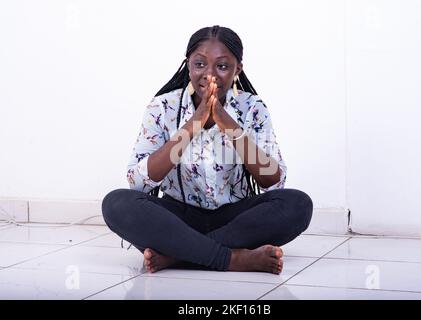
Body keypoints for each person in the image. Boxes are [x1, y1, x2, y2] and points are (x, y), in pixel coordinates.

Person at [102, 25, 313, 274]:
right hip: (178, 219)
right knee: (116, 204)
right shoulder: (163, 107)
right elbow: (137, 182)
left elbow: (273, 181)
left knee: (298, 204)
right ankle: (233, 259)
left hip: (235, 218)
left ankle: (178, 256)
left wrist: (227, 123)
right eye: (200, 64)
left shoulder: (252, 107)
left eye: (222, 66)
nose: (209, 74)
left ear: (237, 70)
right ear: (188, 65)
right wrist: (193, 124)